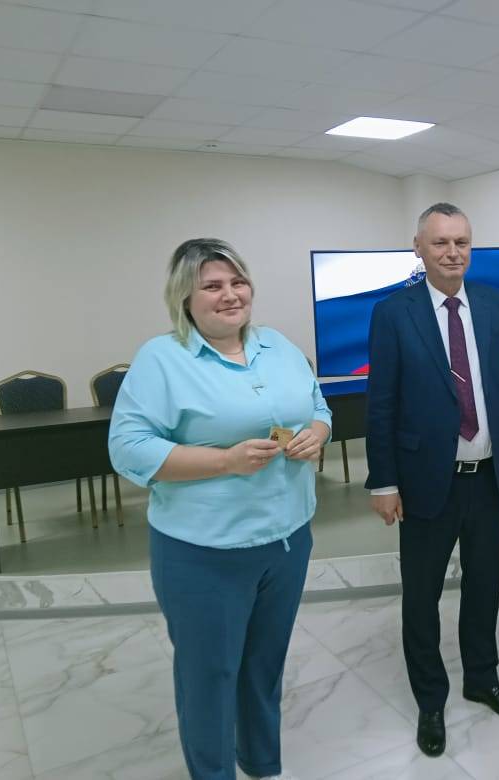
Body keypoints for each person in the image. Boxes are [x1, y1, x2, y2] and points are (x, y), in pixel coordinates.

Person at [108, 238, 331, 780]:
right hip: (204, 553)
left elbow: (318, 405)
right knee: (209, 676)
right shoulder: (162, 359)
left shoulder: (278, 345)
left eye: (237, 282)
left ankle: (261, 762)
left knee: (263, 665)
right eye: (212, 286)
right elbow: (128, 448)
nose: (230, 295)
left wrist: (318, 432)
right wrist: (224, 462)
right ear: (185, 299)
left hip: (287, 541)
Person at [366, 203, 499, 757]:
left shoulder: (493, 304)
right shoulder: (393, 313)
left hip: (489, 476)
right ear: (418, 247)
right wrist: (383, 482)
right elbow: (381, 403)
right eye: (440, 242)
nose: (452, 252)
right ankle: (430, 699)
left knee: (484, 584)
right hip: (424, 481)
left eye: (461, 241)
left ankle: (482, 678)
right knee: (422, 595)